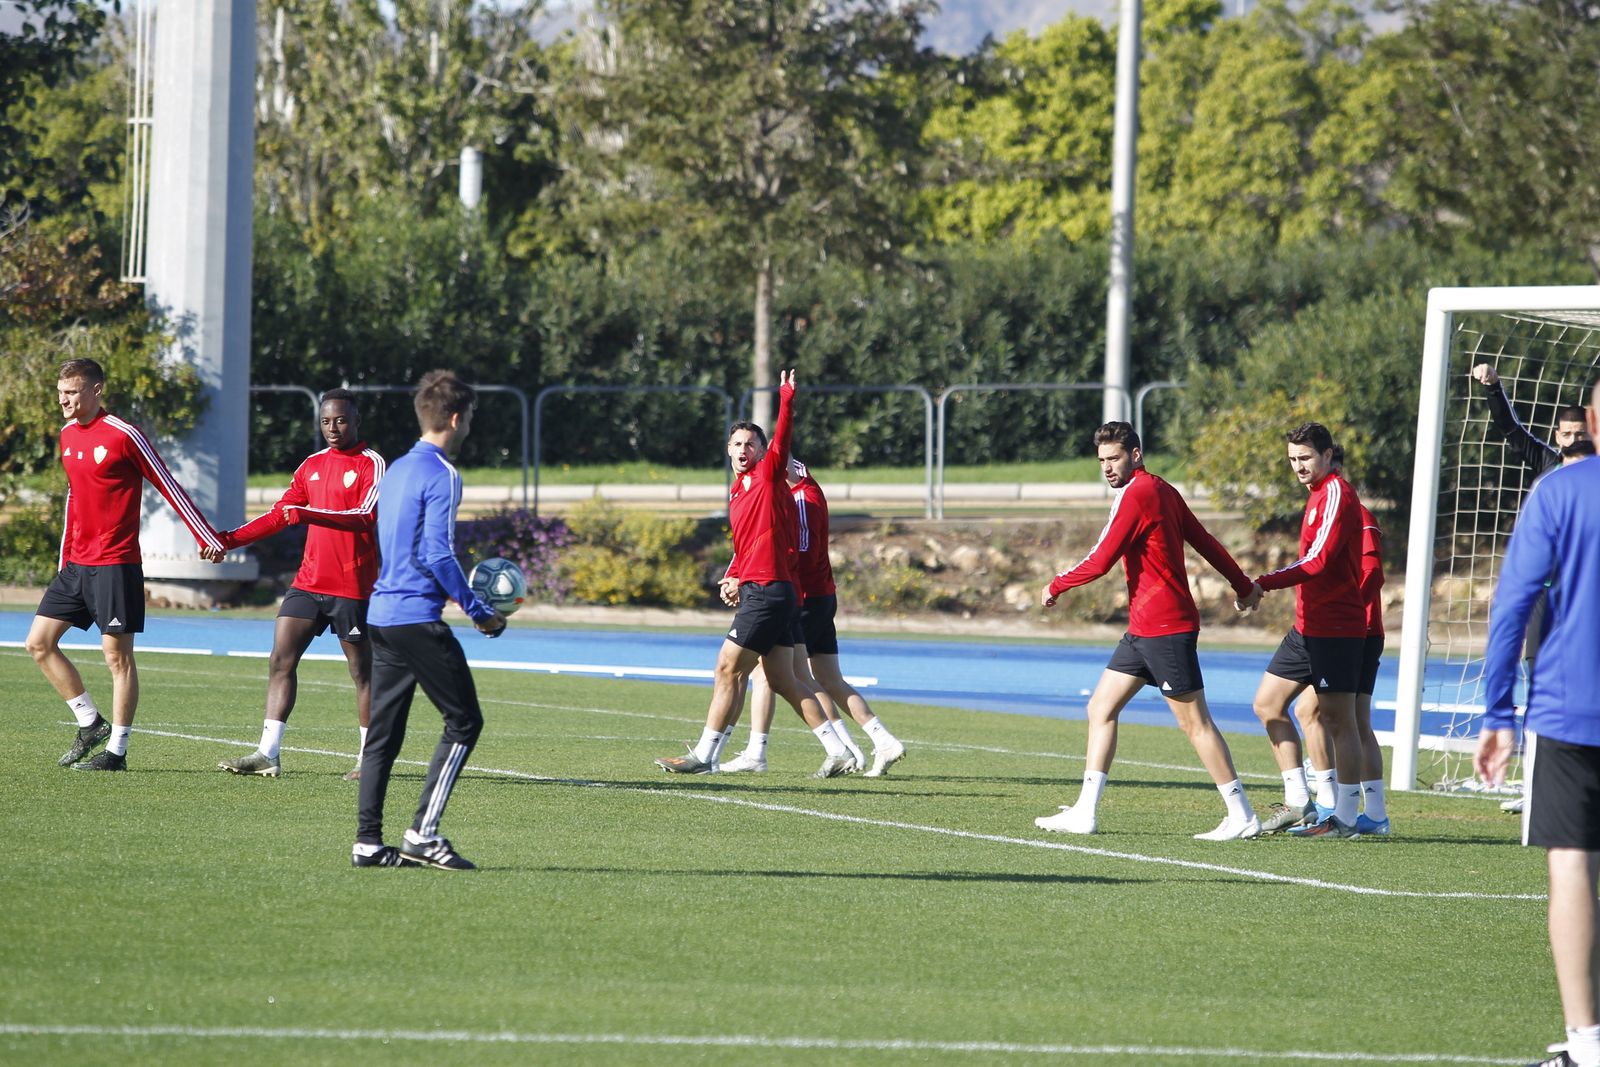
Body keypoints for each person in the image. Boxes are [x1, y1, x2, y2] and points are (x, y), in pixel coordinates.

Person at [1031, 421, 1262, 841]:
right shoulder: (1162, 489)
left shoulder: (1138, 493)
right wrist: (1243, 587)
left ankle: (1241, 813)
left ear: (1135, 454)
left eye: (1114, 458)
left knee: (1196, 725)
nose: (1106, 467)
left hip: (1166, 629)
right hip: (1143, 629)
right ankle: (1085, 811)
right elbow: (1206, 540)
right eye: (1101, 460)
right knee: (1100, 708)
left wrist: (1056, 584)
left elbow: (1102, 559)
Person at [1476, 379, 1600, 1067]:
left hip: (1570, 711)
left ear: (1588, 418)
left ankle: (1587, 1045)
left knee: (1573, 865)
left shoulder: (1558, 491)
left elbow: (1513, 603)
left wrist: (1498, 710)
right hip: (1568, 709)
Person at [26, 358, 226, 771]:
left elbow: (168, 484)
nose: (64, 399)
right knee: (39, 644)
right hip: (77, 565)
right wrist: (64, 558)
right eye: (61, 392)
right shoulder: (66, 436)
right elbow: (74, 499)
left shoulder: (124, 435)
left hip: (116, 563)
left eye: (73, 391)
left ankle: (116, 751)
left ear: (97, 390)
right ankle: (89, 723)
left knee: (117, 657)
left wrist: (207, 536)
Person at [655, 370, 853, 775]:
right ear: (728, 450)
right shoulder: (737, 489)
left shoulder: (766, 476)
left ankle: (704, 756)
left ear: (763, 452)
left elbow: (784, 437)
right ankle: (839, 749)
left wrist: (787, 399)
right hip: (769, 590)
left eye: (751, 443)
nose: (744, 448)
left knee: (728, 668)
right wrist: (735, 576)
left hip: (768, 592)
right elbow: (749, 545)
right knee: (782, 679)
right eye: (737, 443)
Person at [352, 370, 506, 871]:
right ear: (456, 418)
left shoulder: (395, 469)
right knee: (464, 722)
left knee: (383, 735)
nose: (470, 428)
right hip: (417, 619)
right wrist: (480, 612)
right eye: (472, 418)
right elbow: (438, 554)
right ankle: (422, 833)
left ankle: (368, 844)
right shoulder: (443, 473)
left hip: (382, 615)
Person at [201, 389, 384, 779]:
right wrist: (227, 540)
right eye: (326, 422)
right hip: (309, 582)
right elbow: (280, 515)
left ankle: (370, 758)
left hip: (352, 585)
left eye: (341, 420)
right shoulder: (311, 465)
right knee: (280, 660)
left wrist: (308, 512)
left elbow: (364, 516)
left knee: (362, 673)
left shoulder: (372, 464)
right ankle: (268, 753)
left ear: (356, 421)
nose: (333, 428)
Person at [721, 458, 908, 778]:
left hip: (806, 598)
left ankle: (767, 752)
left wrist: (762, 573)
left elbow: (800, 551)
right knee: (828, 678)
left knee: (772, 675)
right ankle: (881, 740)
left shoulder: (802, 498)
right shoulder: (802, 494)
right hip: (818, 596)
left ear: (796, 470)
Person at [1249, 422, 1368, 838]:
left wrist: (1261, 582)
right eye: (1293, 460)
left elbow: (1316, 562)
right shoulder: (1315, 495)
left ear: (1328, 455)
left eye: (1306, 458)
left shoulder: (1336, 492)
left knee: (1339, 721)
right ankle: (1299, 802)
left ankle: (1348, 818)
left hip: (1336, 628)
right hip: (1307, 628)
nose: (1299, 466)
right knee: (1267, 705)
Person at [1290, 445, 1389, 835]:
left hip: (1357, 633)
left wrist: (1353, 622)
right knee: (1329, 716)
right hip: (1349, 631)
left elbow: (1372, 575)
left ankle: (1340, 805)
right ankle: (1366, 811)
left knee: (1343, 720)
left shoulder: (1357, 514)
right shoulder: (1327, 506)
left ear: (1334, 464)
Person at [1471, 363, 1590, 476]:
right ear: (1557, 437)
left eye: (1580, 434)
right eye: (1566, 434)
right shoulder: (1549, 464)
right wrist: (1493, 386)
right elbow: (1511, 429)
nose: (1574, 441)